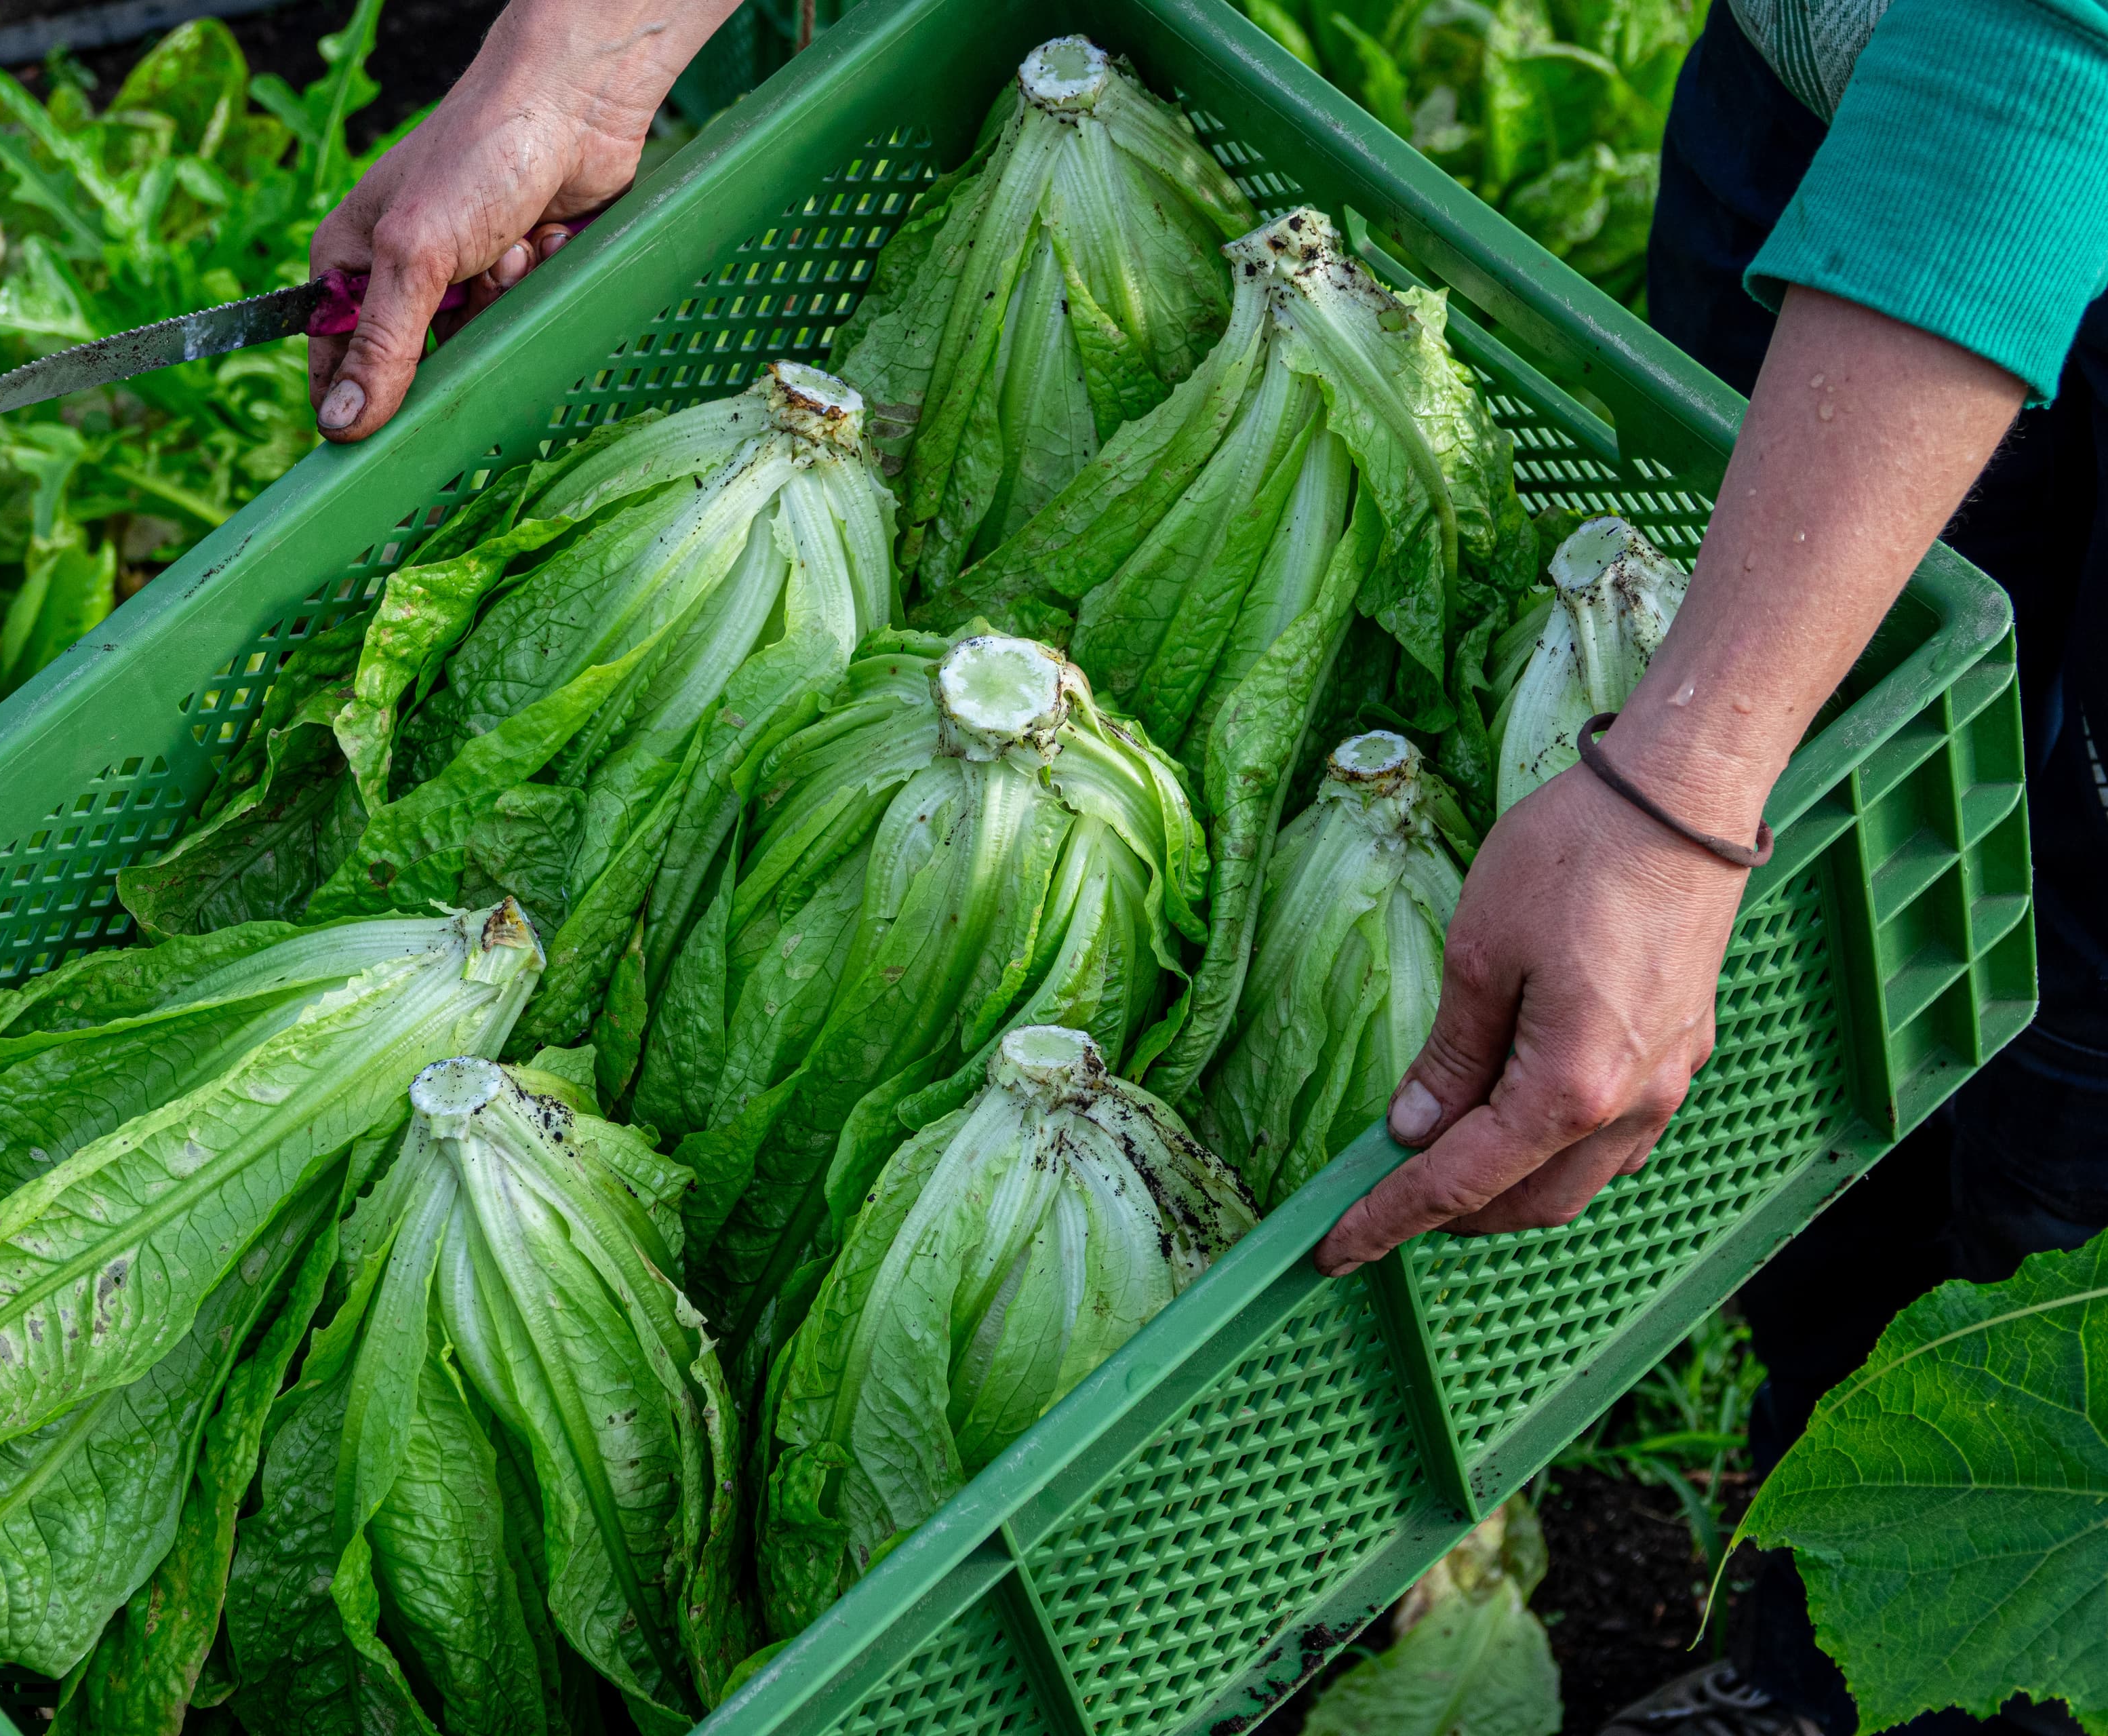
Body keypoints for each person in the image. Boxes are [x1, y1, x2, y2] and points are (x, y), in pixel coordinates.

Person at [305, 3, 2107, 1731]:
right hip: (1841, 105)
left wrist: (1683, 785)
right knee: (1820, 1088)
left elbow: (2045, 49)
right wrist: (582, 54)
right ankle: (1824, 1614)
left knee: (2070, 1139)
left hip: (2023, 125)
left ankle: (1983, 1687)